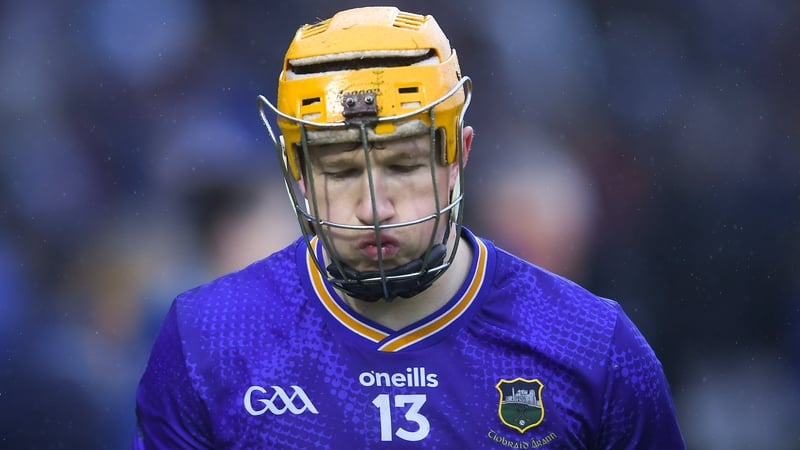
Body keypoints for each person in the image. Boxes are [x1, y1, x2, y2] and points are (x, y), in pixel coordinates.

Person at [133, 6, 685, 449]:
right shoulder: (209, 340)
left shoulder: (591, 346)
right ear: (297, 172)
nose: (374, 207)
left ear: (459, 154)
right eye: (341, 171)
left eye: (402, 165)